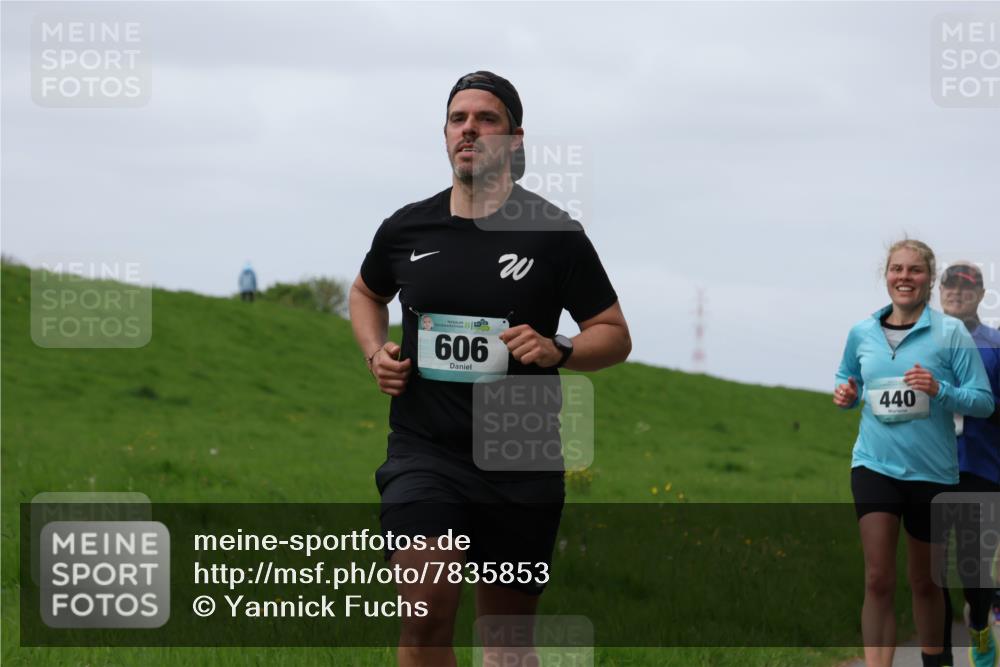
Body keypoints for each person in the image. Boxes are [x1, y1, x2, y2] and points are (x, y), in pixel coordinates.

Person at [349, 71, 631, 666]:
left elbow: (614, 334)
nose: (469, 130)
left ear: (515, 139)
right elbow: (364, 293)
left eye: (486, 119)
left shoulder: (554, 234)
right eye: (458, 119)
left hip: (520, 457)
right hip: (425, 451)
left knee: (505, 642)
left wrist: (560, 349)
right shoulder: (406, 228)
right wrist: (377, 352)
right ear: (446, 134)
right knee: (425, 608)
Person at [834, 239, 994, 667]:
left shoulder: (950, 334)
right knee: (878, 578)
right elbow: (848, 379)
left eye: (915, 270)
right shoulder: (861, 332)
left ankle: (935, 660)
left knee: (925, 582)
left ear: (928, 279)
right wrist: (848, 394)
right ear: (886, 275)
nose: (905, 277)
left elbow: (982, 401)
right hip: (874, 464)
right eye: (897, 269)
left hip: (933, 472)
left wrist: (938, 389)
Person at [936, 262, 1000, 667]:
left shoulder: (994, 344)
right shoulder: (924, 340)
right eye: (950, 287)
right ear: (939, 293)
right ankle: (937, 651)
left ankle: (979, 623)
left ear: (979, 295)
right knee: (931, 568)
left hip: (982, 465)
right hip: (930, 466)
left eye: (966, 288)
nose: (957, 293)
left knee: (972, 567)